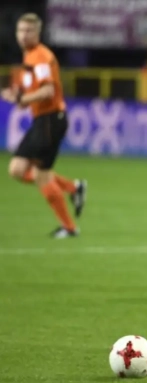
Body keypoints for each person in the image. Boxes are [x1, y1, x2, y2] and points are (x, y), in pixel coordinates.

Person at [1, 13, 86, 238]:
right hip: (43, 120)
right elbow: (31, 94)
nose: (23, 35)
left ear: (38, 33)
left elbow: (48, 91)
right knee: (17, 170)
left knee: (40, 175)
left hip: (51, 119)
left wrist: (21, 99)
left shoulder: (40, 57)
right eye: (21, 30)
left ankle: (69, 227)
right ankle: (73, 188)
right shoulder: (29, 57)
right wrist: (18, 97)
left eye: (29, 31)